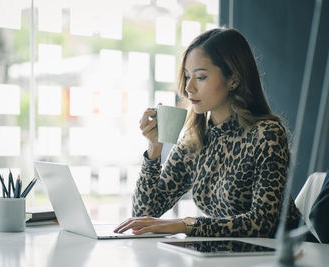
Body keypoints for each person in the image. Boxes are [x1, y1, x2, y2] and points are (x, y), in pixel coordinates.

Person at [114, 28, 301, 237]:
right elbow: (143, 215)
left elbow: (262, 222)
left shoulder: (266, 134)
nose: (189, 88)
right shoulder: (195, 139)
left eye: (201, 77)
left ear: (233, 80)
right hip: (232, 254)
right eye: (186, 76)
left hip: (285, 254)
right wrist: (154, 149)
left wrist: (186, 225)